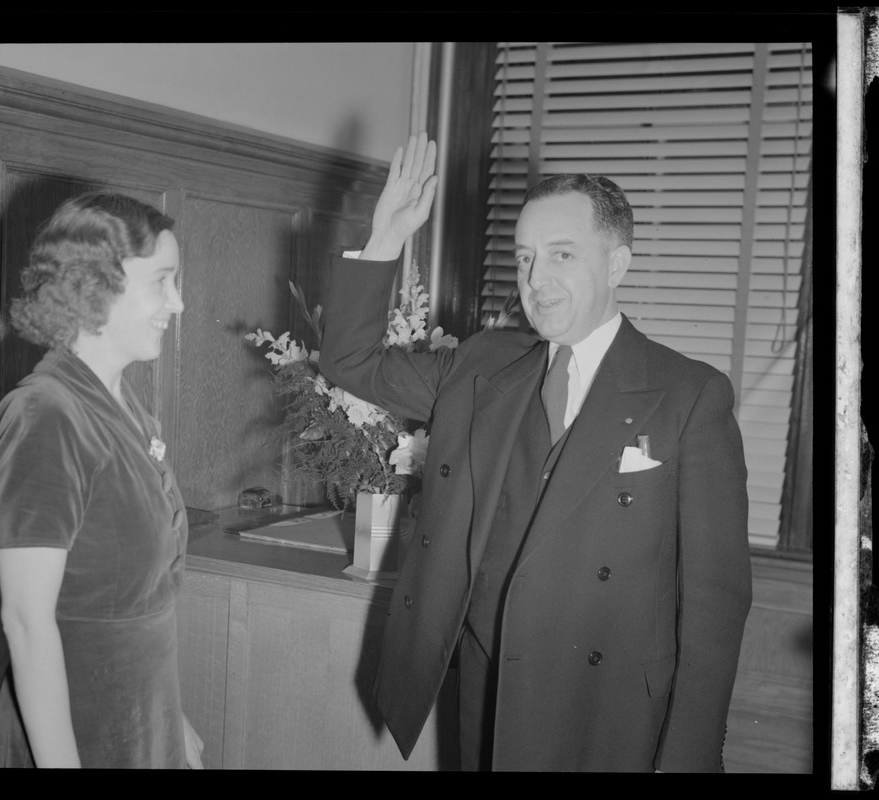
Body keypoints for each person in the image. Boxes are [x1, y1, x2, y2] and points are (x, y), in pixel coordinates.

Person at [318, 133, 752, 772]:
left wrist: (686, 759)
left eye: (562, 255)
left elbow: (716, 603)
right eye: (524, 258)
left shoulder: (689, 395)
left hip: (608, 713)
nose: (536, 281)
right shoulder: (481, 365)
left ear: (617, 264)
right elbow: (350, 360)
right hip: (486, 695)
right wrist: (386, 235)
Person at [0, 192, 204, 768]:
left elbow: (138, 602)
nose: (178, 303)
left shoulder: (127, 405)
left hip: (141, 719)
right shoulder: (45, 416)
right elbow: (27, 624)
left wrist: (172, 720)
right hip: (76, 734)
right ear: (97, 285)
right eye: (163, 281)